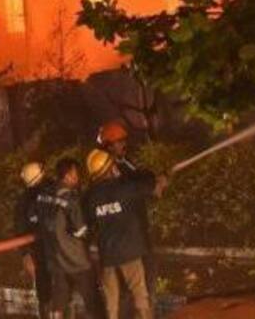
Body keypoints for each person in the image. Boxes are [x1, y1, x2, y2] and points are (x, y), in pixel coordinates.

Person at [84, 149, 167, 319]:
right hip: (130, 253)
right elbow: (155, 190)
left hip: (107, 256)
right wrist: (162, 180)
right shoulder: (126, 188)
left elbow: (87, 222)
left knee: (111, 305)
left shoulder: (89, 197)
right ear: (110, 168)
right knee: (140, 297)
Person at [97, 120, 158, 317]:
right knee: (141, 291)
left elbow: (140, 176)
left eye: (124, 140)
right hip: (130, 242)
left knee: (128, 293)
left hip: (123, 240)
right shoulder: (113, 172)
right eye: (119, 141)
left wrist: (152, 179)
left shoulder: (122, 164)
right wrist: (153, 185)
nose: (124, 144)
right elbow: (134, 186)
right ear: (108, 146)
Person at [35, 158, 101, 319]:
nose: (78, 178)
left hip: (55, 260)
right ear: (69, 174)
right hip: (76, 260)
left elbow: (36, 219)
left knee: (59, 300)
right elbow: (81, 231)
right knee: (92, 300)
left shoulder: (43, 195)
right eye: (76, 174)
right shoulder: (70, 199)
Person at [15, 162, 51, 319]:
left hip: (39, 254)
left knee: (45, 295)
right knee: (62, 294)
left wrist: (25, 255)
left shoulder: (23, 201)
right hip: (56, 252)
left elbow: (20, 229)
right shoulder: (53, 190)